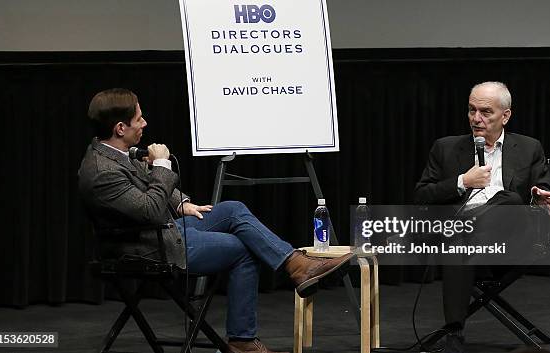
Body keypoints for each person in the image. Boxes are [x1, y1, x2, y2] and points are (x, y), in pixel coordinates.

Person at [78, 88, 353, 353]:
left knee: (232, 209)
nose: (145, 123)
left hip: (160, 231)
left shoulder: (116, 153)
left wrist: (182, 203)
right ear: (120, 128)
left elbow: (148, 185)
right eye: (139, 119)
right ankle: (243, 342)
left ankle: (295, 264)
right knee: (243, 250)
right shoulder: (102, 172)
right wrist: (163, 166)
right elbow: (149, 208)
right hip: (146, 247)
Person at [414, 82, 550, 353]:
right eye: (471, 110)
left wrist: (539, 197)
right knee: (461, 244)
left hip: (508, 241)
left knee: (511, 199)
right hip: (463, 245)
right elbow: (421, 196)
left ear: (506, 116)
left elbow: (542, 188)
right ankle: (454, 333)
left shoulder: (528, 148)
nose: (476, 119)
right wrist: (462, 181)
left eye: (485, 112)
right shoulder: (445, 148)